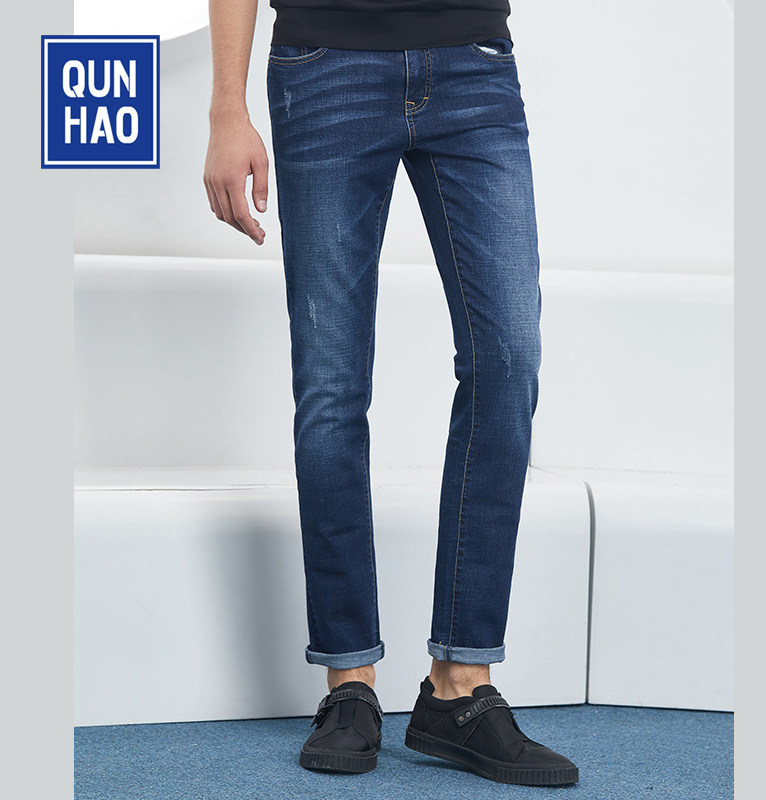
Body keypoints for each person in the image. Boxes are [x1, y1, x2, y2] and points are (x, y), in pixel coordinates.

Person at [203, 0, 579, 786]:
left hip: (473, 63)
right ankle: (349, 682)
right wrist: (227, 108)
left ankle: (459, 688)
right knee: (332, 384)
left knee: (509, 358)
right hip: (324, 65)